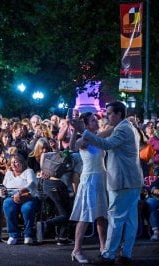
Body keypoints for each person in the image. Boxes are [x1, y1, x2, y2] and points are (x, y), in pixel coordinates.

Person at [71, 101, 143, 264]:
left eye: (109, 113)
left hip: (122, 180)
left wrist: (82, 129)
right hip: (130, 180)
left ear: (118, 114)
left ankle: (108, 255)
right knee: (130, 220)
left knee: (116, 219)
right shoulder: (126, 127)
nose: (105, 116)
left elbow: (107, 144)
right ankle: (126, 254)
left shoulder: (123, 128)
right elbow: (85, 142)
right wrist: (80, 131)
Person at [68, 112, 108, 264]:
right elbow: (72, 147)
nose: (96, 122)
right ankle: (76, 249)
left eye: (96, 119)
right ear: (85, 124)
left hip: (101, 178)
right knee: (85, 216)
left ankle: (103, 247)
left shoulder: (99, 136)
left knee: (101, 216)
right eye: (93, 120)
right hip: (89, 179)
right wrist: (75, 130)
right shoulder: (83, 139)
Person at [0, 154, 39, 245]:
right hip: (11, 197)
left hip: (27, 196)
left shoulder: (29, 171)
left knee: (27, 208)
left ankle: (28, 234)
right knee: (7, 204)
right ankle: (13, 234)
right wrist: (2, 192)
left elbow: (32, 184)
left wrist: (20, 193)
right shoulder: (8, 173)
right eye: (12, 162)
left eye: (16, 162)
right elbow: (3, 187)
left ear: (22, 162)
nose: (13, 164)